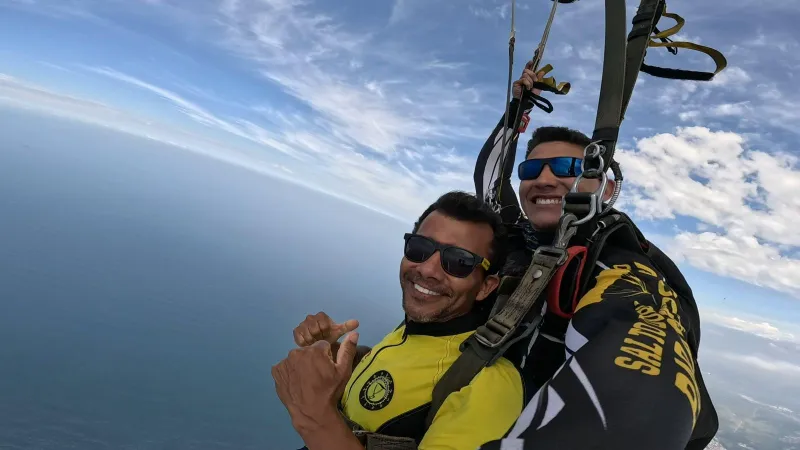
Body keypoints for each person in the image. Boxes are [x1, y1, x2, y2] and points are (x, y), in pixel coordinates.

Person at [470, 63, 719, 450]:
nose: (544, 179)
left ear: (606, 189)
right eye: (532, 169)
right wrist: (516, 112)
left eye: (568, 168)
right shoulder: (518, 233)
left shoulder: (620, 268)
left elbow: (643, 388)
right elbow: (490, 178)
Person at [271, 191, 525, 450]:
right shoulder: (415, 329)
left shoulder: (491, 385)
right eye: (420, 248)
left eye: (459, 262)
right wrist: (334, 355)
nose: (427, 269)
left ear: (485, 287)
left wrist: (313, 417)